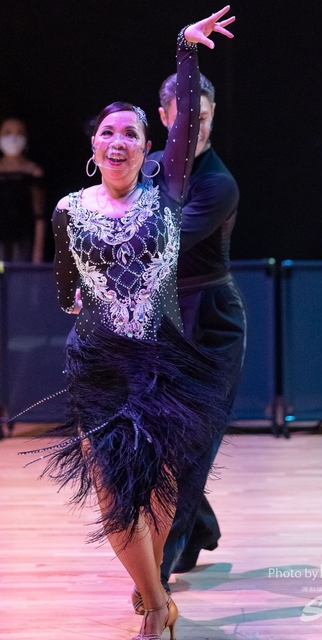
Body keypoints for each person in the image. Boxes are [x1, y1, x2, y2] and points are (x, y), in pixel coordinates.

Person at [20, 8, 235, 640]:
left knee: (162, 491)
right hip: (99, 365)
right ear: (94, 147)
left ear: (150, 148)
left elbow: (188, 120)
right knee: (114, 494)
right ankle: (156, 601)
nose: (118, 141)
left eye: (132, 134)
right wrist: (88, 307)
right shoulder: (68, 209)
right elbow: (65, 286)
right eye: (108, 132)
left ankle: (154, 590)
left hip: (163, 361)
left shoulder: (168, 193)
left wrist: (186, 50)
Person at [137, 71, 246, 599]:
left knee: (193, 446)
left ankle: (157, 573)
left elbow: (160, 245)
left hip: (211, 322)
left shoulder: (218, 183)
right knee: (160, 442)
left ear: (212, 116)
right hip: (162, 317)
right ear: (164, 118)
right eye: (183, 117)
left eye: (201, 117)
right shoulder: (149, 167)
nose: (193, 127)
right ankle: (199, 528)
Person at [0, 117, 45, 262]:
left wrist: (38, 254)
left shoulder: (34, 172)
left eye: (19, 133)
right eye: (8, 132)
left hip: (23, 243)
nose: (13, 138)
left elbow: (40, 215)